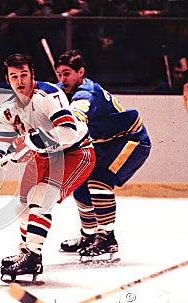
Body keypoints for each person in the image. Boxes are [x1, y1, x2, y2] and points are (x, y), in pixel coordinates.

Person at [0, 53, 95, 281]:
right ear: (7, 79)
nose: (20, 81)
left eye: (24, 75)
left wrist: (31, 141)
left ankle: (32, 255)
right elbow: (4, 144)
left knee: (40, 199)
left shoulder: (50, 95)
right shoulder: (7, 109)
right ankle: (26, 250)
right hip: (43, 156)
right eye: (14, 76)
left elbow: (67, 132)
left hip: (74, 153)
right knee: (22, 207)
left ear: (32, 75)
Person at [54, 49, 152, 261]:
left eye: (67, 73)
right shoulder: (65, 90)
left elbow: (77, 115)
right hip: (106, 144)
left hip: (131, 140)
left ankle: (107, 237)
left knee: (99, 182)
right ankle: (89, 235)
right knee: (80, 186)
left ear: (81, 72)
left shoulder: (86, 94)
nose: (63, 79)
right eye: (60, 74)